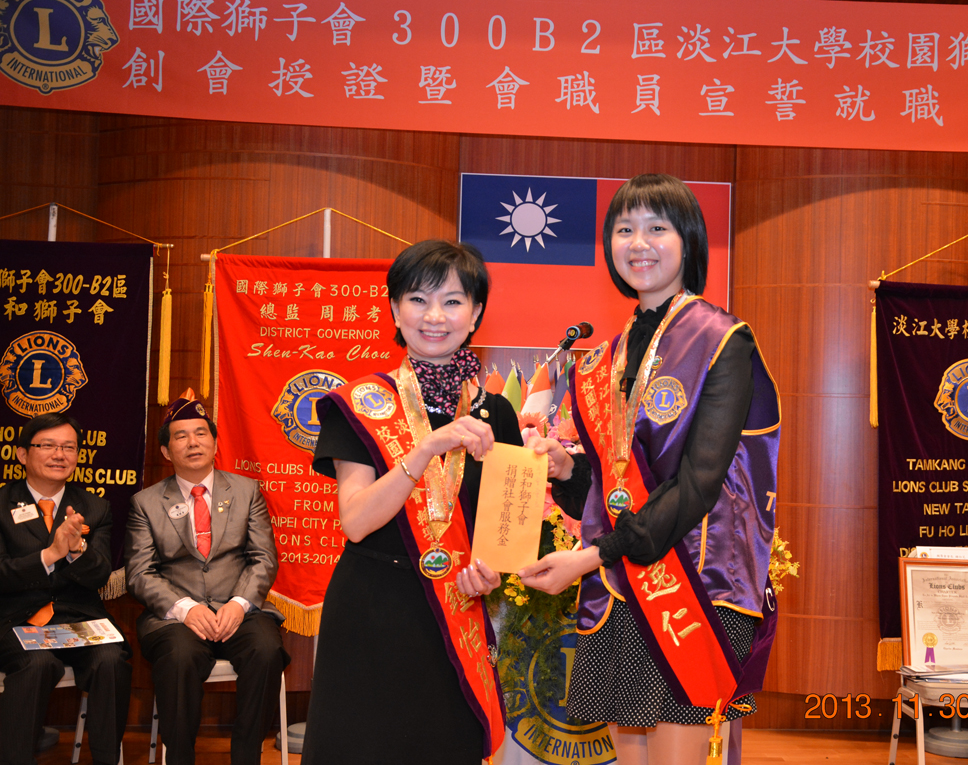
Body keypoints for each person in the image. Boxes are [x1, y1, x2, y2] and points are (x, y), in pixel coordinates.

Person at [518, 174, 781, 765]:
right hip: (621, 587)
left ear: (688, 240)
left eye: (657, 227)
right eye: (624, 229)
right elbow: (609, 489)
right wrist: (565, 471)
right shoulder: (607, 357)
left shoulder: (723, 341)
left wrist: (591, 557)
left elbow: (699, 485)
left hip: (694, 588)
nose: (638, 243)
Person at [301, 240, 521, 765]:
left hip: (455, 613)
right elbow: (356, 521)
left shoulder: (497, 414)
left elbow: (505, 533)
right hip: (372, 610)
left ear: (476, 313)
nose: (434, 316)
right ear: (395, 311)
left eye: (452, 301)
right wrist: (423, 449)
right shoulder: (359, 405)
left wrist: (492, 572)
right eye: (418, 299)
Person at [125, 390, 289, 765]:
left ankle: (246, 757)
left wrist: (239, 604)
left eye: (201, 433)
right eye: (181, 436)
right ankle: (180, 757)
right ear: (166, 451)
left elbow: (263, 557)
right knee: (179, 657)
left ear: (215, 443)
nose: (193, 442)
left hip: (239, 611)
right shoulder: (146, 503)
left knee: (266, 651)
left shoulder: (247, 491)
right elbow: (139, 572)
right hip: (175, 618)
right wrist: (185, 609)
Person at [0, 412, 132, 765]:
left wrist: (76, 551)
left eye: (69, 447)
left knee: (111, 660)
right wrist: (49, 555)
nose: (60, 455)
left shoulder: (95, 507)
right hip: (14, 620)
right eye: (48, 445)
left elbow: (99, 575)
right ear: (22, 454)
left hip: (77, 617)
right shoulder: (1, 504)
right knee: (36, 664)